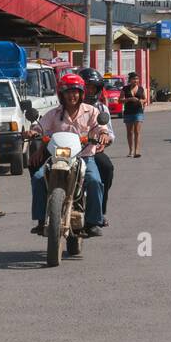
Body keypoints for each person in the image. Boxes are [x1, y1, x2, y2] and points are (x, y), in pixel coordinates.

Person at [28, 73, 110, 238]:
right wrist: (32, 131)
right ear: (61, 94)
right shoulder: (53, 113)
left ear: (81, 94)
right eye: (67, 92)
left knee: (94, 181)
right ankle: (40, 219)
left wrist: (104, 135)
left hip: (84, 157)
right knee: (38, 178)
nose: (72, 95)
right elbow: (40, 128)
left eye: (75, 92)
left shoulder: (92, 111)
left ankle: (93, 221)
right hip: (57, 158)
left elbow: (102, 129)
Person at [78, 68, 116, 225]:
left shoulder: (101, 108)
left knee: (107, 168)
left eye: (93, 87)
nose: (90, 91)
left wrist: (104, 140)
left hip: (92, 150)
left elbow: (110, 133)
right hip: (67, 151)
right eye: (87, 87)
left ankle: (100, 211)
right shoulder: (67, 105)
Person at [121, 71, 148, 158]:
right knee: (130, 132)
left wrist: (142, 101)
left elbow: (145, 99)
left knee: (137, 131)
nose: (136, 80)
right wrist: (129, 99)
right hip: (128, 112)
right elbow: (120, 100)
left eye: (137, 79)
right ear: (130, 80)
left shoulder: (141, 89)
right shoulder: (125, 89)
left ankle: (137, 151)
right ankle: (130, 150)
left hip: (138, 112)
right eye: (134, 79)